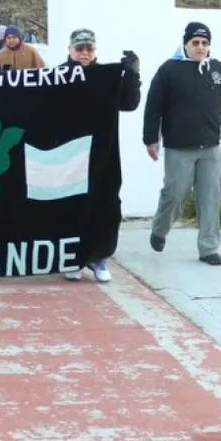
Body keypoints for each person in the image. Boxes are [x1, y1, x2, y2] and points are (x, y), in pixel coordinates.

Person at [142, 21, 221, 266]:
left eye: (204, 43)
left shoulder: (217, 69)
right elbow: (153, 106)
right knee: (174, 194)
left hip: (210, 148)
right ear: (186, 44)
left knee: (210, 197)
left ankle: (208, 248)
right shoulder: (169, 70)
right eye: (195, 43)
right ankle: (159, 229)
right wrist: (150, 139)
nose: (200, 48)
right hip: (179, 148)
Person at [60, 28, 142, 284]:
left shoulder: (107, 76)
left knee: (105, 203)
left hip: (103, 152)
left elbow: (129, 103)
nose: (84, 53)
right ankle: (73, 258)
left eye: (89, 49)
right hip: (69, 153)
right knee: (71, 205)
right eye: (79, 48)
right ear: (70, 50)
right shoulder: (58, 76)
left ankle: (99, 257)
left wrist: (132, 75)